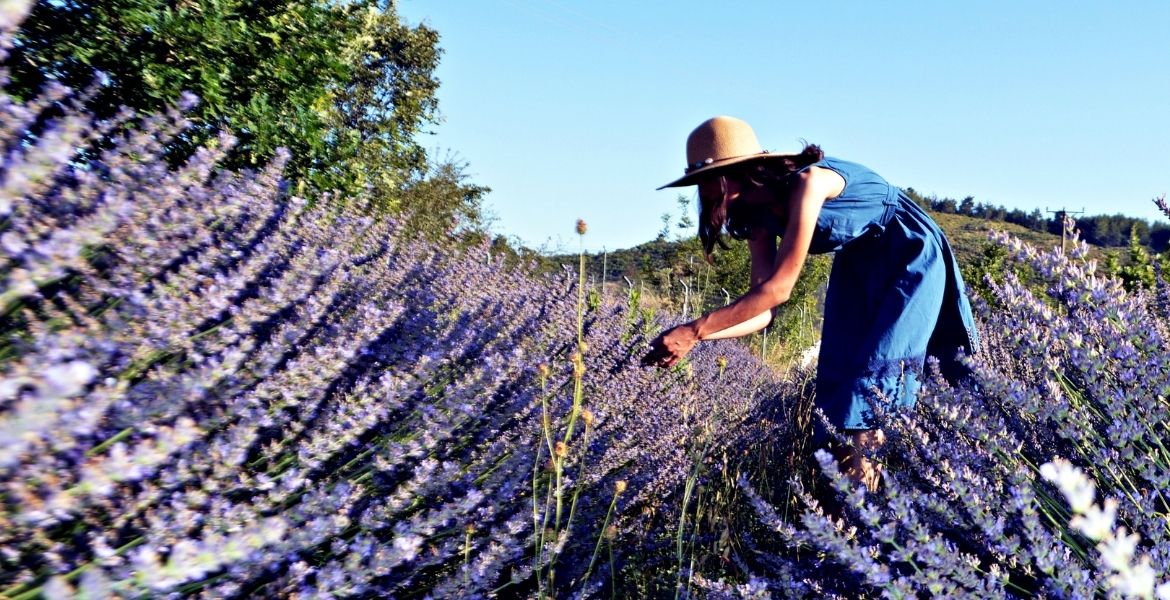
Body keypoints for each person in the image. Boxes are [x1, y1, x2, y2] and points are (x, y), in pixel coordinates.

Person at [641, 116, 979, 492]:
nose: (703, 191)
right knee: (837, 389)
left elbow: (779, 289)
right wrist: (697, 338)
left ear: (742, 171)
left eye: (709, 179)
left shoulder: (809, 183)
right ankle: (844, 515)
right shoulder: (756, 216)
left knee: (875, 385)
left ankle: (863, 517)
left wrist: (694, 329)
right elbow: (763, 312)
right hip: (858, 264)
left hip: (909, 255)